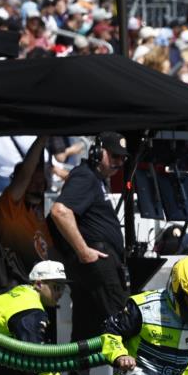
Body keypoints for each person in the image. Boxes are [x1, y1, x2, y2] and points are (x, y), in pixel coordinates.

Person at [49, 132, 130, 340]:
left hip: (96, 265)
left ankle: (80, 363)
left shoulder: (95, 178)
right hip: (98, 264)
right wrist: (84, 251)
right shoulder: (86, 176)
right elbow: (60, 211)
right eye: (114, 156)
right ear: (97, 152)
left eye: (123, 158)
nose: (119, 162)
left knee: (87, 329)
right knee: (123, 324)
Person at [0, 135, 57, 273]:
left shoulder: (36, 213)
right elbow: (25, 174)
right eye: (33, 182)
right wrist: (42, 138)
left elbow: (50, 250)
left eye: (41, 183)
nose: (38, 187)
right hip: (19, 278)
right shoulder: (9, 209)